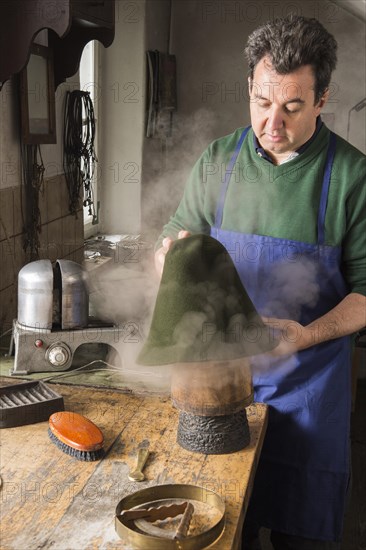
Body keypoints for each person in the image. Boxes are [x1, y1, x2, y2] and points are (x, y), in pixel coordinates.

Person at [153, 13, 366, 550]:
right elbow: (173, 243)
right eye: (263, 103)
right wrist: (170, 260)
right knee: (224, 529)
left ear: (322, 99)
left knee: (302, 536)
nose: (274, 123)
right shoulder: (217, 161)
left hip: (310, 390)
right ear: (250, 86)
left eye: (293, 107)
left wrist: (307, 334)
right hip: (222, 389)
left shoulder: (352, 177)